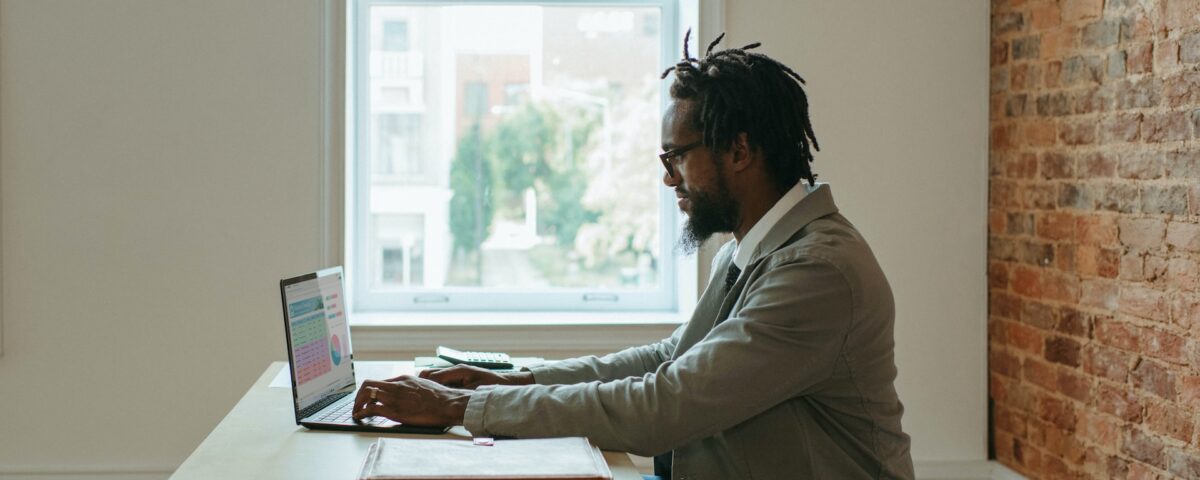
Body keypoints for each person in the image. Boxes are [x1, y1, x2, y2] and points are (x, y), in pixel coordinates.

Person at [352, 32, 915, 480]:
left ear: (739, 150)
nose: (669, 178)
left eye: (676, 157)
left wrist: (457, 410)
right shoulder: (755, 249)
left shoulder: (818, 272)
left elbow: (665, 405)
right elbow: (669, 359)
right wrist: (503, 383)